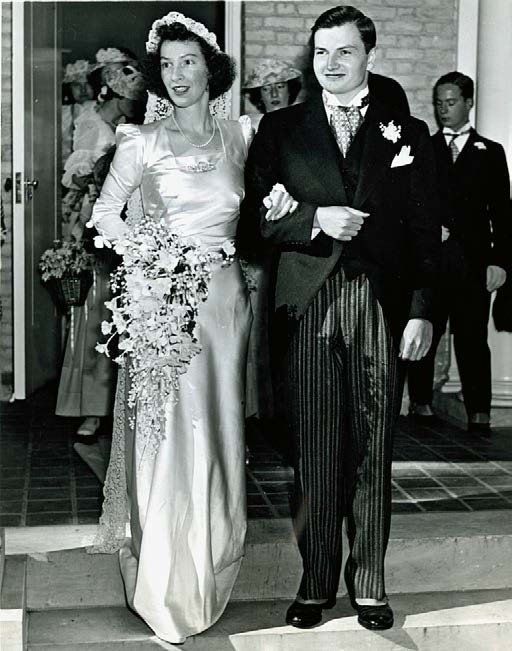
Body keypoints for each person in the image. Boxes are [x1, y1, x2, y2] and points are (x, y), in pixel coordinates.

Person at [238, 5, 440, 631]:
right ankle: (317, 580)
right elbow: (252, 225)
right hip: (307, 305)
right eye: (321, 52)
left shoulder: (406, 132)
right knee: (314, 448)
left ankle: (370, 581)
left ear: (369, 56)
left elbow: (425, 231)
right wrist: (314, 219)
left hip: (380, 304)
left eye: (344, 51)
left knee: (374, 445)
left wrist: (421, 311)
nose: (330, 63)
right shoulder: (281, 128)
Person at [87, 12, 253, 644]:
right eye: (166, 64)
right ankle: (163, 588)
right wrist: (151, 258)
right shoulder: (140, 142)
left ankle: (210, 565)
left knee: (216, 430)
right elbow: (106, 215)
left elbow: (265, 211)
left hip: (224, 308)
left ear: (213, 70)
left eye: (189, 62)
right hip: (161, 306)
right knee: (168, 436)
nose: (177, 75)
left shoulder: (242, 135)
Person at [407, 72, 510, 433]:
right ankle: (420, 403)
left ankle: (479, 412)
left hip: (473, 263)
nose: (443, 110)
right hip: (432, 261)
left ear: (469, 103)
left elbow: (503, 212)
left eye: (451, 103)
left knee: (473, 338)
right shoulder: (425, 147)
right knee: (425, 330)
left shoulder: (491, 152)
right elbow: (412, 202)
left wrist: (500, 261)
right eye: (439, 103)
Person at [56, 62, 146, 467]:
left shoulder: (125, 128)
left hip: (122, 224)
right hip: (99, 228)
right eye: (130, 98)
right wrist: (96, 178)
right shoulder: (94, 127)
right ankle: (92, 408)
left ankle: (116, 405)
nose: (135, 105)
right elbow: (73, 177)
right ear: (115, 95)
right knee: (99, 312)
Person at [62, 59, 96, 164]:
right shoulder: (64, 112)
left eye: (87, 84)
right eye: (77, 85)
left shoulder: (101, 109)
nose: (83, 90)